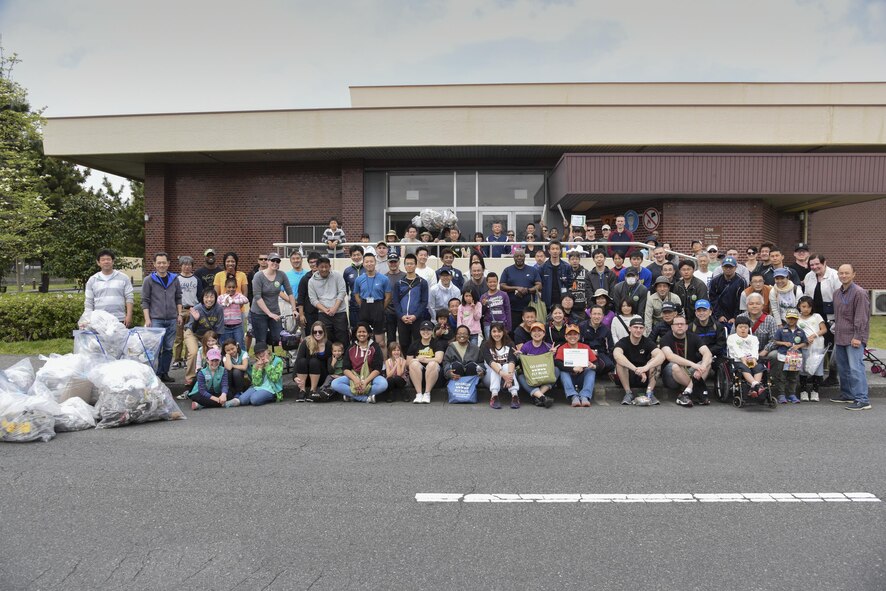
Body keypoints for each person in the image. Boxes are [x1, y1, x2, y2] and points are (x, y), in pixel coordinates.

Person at [830, 264, 871, 410]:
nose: (843, 276)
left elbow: (861, 317)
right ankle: (847, 394)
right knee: (843, 368)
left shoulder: (859, 293)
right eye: (841, 273)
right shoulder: (837, 293)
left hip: (854, 337)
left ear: (854, 274)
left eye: (847, 273)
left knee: (856, 368)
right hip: (840, 336)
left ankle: (862, 399)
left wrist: (858, 337)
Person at [141, 252, 181, 383]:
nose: (162, 265)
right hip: (156, 319)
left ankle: (165, 372)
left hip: (171, 319)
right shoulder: (149, 280)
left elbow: (178, 298)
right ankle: (156, 374)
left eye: (164, 262)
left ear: (168, 263)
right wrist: (147, 319)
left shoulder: (174, 279)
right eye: (159, 262)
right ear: (154, 264)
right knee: (156, 348)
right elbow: (145, 301)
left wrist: (179, 314)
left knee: (168, 348)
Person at [803, 253, 841, 386]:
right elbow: (807, 296)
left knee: (831, 345)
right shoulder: (809, 276)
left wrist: (838, 320)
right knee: (815, 345)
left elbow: (839, 299)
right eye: (811, 265)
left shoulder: (834, 276)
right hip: (814, 317)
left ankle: (832, 376)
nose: (814, 267)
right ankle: (814, 374)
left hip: (831, 317)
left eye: (817, 264)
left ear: (824, 263)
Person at [660, 314, 713, 407]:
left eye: (682, 324)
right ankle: (697, 390)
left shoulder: (694, 337)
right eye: (677, 324)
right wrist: (693, 365)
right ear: (672, 327)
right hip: (671, 377)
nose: (679, 326)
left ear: (686, 326)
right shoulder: (665, 338)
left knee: (708, 362)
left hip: (690, 372)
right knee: (674, 365)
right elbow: (670, 356)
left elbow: (707, 353)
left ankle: (686, 393)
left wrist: (703, 365)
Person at [613, 317, 665, 405]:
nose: (638, 330)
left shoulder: (647, 342)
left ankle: (649, 392)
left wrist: (645, 368)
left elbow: (661, 356)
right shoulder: (623, 342)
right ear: (629, 328)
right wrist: (636, 369)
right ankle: (628, 393)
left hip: (645, 377)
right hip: (628, 376)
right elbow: (617, 355)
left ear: (644, 329)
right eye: (635, 327)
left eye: (641, 328)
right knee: (620, 363)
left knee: (656, 362)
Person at [331, 323, 388, 403]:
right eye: (359, 332)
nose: (361, 334)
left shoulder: (375, 347)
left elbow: (377, 368)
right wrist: (356, 380)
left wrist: (365, 382)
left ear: (368, 334)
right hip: (354, 377)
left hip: (370, 377)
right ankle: (365, 398)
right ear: (356, 334)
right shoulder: (351, 347)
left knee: (383, 384)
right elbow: (345, 368)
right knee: (335, 383)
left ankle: (352, 395)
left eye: (364, 332)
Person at [183, 287, 224, 388]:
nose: (209, 299)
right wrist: (196, 320)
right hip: (193, 333)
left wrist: (214, 343)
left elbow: (218, 329)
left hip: (208, 335)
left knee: (214, 351)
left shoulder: (219, 309)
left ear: (215, 298)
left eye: (212, 297)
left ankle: (211, 374)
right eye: (206, 297)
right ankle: (190, 377)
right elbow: (193, 328)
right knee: (194, 352)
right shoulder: (197, 308)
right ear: (202, 298)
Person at [252, 253, 295, 349]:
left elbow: (290, 293)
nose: (275, 263)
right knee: (261, 341)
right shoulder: (258, 276)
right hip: (259, 313)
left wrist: (294, 309)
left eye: (277, 261)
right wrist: (269, 314)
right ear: (268, 261)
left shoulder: (281, 275)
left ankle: (274, 358)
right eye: (273, 260)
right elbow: (257, 297)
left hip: (275, 311)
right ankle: (261, 359)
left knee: (278, 338)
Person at [83, 248, 134, 327]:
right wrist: (87, 319)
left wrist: (129, 316)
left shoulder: (123, 278)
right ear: (98, 262)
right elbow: (89, 302)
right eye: (103, 260)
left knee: (119, 339)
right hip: (99, 320)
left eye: (108, 259)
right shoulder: (92, 280)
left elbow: (129, 297)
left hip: (120, 319)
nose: (106, 262)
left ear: (113, 261)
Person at [224, 342, 284, 407]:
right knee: (242, 399)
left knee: (254, 399)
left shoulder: (278, 361)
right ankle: (234, 402)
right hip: (258, 387)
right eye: (258, 353)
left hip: (272, 389)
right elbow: (256, 383)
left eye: (262, 352)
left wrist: (267, 366)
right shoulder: (256, 364)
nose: (261, 355)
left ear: (268, 351)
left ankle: (270, 397)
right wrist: (259, 369)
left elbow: (275, 379)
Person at [352, 252, 391, 349]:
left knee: (380, 342)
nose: (369, 264)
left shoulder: (384, 279)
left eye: (371, 261)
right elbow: (356, 295)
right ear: (363, 264)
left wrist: (381, 308)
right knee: (364, 339)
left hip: (378, 306)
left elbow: (388, 297)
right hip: (364, 307)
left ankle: (383, 364)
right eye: (367, 262)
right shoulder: (359, 279)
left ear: (375, 262)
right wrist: (362, 305)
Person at [308, 256, 349, 346]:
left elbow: (342, 292)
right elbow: (313, 299)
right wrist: (324, 309)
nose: (324, 269)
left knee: (343, 337)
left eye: (326, 266)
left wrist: (334, 308)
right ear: (317, 267)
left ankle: (344, 359)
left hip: (339, 312)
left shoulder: (337, 275)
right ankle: (330, 359)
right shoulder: (311, 281)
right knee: (326, 339)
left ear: (330, 266)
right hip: (323, 314)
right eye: (321, 267)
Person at [515, 322, 557, 408]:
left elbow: (551, 365)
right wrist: (518, 356)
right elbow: (522, 364)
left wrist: (553, 355)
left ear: (544, 333)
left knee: (556, 370)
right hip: (531, 376)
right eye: (534, 331)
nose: (537, 333)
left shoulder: (548, 347)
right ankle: (542, 397)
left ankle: (537, 396)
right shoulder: (526, 346)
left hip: (544, 375)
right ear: (530, 334)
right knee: (520, 376)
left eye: (539, 331)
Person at [555, 324, 598, 407]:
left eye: (575, 334)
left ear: (579, 336)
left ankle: (585, 396)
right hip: (569, 376)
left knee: (591, 371)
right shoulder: (562, 348)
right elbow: (557, 362)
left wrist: (593, 365)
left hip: (582, 375)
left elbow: (596, 363)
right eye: (569, 335)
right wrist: (572, 369)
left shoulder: (585, 347)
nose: (572, 337)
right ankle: (573, 396)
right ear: (566, 337)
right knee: (563, 372)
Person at [394, 254, 430, 352]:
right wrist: (401, 316)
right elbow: (396, 302)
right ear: (404, 265)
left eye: (412, 264)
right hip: (402, 319)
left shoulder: (422, 282)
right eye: (407, 264)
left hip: (417, 318)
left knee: (418, 342)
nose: (409, 266)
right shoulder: (399, 283)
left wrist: (415, 316)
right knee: (404, 343)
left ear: (415, 265)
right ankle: (406, 364)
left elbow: (424, 301)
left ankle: (417, 364)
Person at [770, 308, 806, 404]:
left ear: (797, 319)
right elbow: (775, 341)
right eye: (789, 318)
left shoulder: (800, 331)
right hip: (783, 356)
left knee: (793, 377)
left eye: (793, 318)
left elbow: (805, 342)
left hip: (795, 357)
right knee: (781, 376)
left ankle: (792, 394)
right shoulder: (781, 330)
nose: (791, 320)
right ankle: (781, 394)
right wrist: (784, 343)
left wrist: (798, 345)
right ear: (786, 318)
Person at [480, 322, 520, 409]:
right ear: (490, 332)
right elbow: (491, 362)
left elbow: (512, 361)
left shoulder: (510, 344)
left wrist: (508, 376)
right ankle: (494, 396)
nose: (496, 334)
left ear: (503, 332)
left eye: (499, 331)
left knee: (506, 366)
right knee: (496, 366)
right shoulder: (485, 345)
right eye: (494, 331)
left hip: (508, 377)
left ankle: (515, 396)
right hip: (490, 378)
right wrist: (504, 375)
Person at [500, 249, 543, 330]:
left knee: (531, 331)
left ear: (524, 257)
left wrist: (527, 290)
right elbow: (502, 286)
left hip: (530, 309)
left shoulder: (532, 270)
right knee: (513, 332)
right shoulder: (507, 270)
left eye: (521, 256)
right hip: (512, 309)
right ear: (513, 257)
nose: (519, 258)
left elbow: (539, 285)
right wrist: (516, 288)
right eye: (517, 256)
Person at [406, 320, 446, 404]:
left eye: (428, 329)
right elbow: (408, 363)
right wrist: (417, 359)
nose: (426, 332)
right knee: (413, 364)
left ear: (432, 331)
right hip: (418, 377)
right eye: (423, 330)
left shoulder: (437, 343)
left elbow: (439, 359)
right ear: (420, 331)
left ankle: (427, 393)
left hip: (435, 377)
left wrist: (425, 360)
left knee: (432, 364)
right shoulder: (414, 344)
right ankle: (419, 394)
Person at [796, 296, 827, 402]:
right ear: (799, 306)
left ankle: (815, 391)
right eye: (803, 306)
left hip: (817, 346)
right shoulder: (797, 318)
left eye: (809, 307)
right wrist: (803, 341)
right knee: (803, 369)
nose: (806, 309)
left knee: (817, 368)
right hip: (804, 347)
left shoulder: (817, 316)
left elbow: (823, 329)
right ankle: (803, 391)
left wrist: (813, 336)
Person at [726, 316, 765, 398]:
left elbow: (755, 349)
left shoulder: (753, 338)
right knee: (743, 367)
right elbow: (735, 349)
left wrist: (754, 358)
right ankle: (756, 385)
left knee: (759, 367)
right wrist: (743, 358)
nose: (743, 329)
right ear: (736, 328)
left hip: (751, 359)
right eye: (740, 327)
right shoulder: (731, 338)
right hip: (737, 360)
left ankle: (754, 389)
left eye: (745, 327)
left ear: (749, 328)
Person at [293, 321, 333, 401]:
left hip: (321, 377)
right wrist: (294, 377)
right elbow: (298, 361)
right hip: (305, 377)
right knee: (302, 361)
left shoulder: (328, 344)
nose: (317, 334)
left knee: (314, 361)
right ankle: (302, 391)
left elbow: (329, 365)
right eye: (315, 332)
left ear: (324, 332)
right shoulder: (306, 342)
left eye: (320, 332)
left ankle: (313, 390)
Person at [173, 255, 199, 369]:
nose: (187, 267)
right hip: (179, 309)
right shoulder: (176, 279)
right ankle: (177, 359)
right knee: (178, 337)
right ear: (180, 266)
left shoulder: (196, 279)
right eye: (184, 264)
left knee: (189, 335)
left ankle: (187, 358)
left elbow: (200, 294)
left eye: (189, 265)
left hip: (192, 309)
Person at [708, 256, 746, 330]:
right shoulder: (715, 281)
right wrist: (719, 315)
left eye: (731, 267)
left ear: (735, 267)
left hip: (734, 315)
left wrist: (735, 317)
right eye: (726, 267)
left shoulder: (741, 281)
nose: (728, 269)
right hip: (719, 315)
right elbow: (712, 299)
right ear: (722, 267)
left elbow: (741, 302)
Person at [580, 304, 615, 376]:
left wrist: (597, 352)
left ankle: (598, 373)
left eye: (599, 314)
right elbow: (577, 343)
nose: (596, 316)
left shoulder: (606, 330)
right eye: (594, 314)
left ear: (603, 316)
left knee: (609, 365)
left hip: (600, 353)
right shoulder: (581, 326)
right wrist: (589, 351)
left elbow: (610, 348)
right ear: (590, 315)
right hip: (584, 353)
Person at [218, 277, 249, 350]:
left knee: (240, 344)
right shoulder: (221, 297)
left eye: (233, 287)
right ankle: (226, 360)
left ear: (236, 287)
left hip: (237, 326)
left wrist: (233, 301)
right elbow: (217, 305)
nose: (231, 289)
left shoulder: (239, 296)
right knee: (226, 345)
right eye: (229, 287)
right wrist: (224, 303)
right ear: (225, 287)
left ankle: (243, 359)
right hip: (225, 326)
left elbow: (246, 300)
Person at [673, 260, 708, 324]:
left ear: (693, 270)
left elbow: (703, 303)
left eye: (688, 269)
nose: (686, 272)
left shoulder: (700, 285)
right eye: (683, 270)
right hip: (681, 320)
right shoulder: (677, 285)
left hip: (697, 319)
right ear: (680, 271)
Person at [539, 240, 569, 309]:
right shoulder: (543, 268)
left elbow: (569, 284)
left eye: (557, 249)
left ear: (560, 251)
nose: (555, 251)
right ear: (549, 251)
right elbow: (540, 285)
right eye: (553, 249)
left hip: (563, 301)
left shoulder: (566, 267)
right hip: (547, 302)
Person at [342, 245, 366, 330]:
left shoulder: (367, 268)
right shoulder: (347, 271)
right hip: (353, 306)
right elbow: (345, 288)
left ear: (362, 255)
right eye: (354, 255)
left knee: (367, 329)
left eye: (358, 254)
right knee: (354, 328)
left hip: (367, 305)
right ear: (350, 256)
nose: (356, 257)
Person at [480, 272, 511, 337]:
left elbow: (507, 311)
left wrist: (508, 327)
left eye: (494, 282)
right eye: (490, 282)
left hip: (502, 323)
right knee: (489, 344)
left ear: (497, 282)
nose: (492, 284)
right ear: (487, 283)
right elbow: (481, 313)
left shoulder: (504, 294)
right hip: (488, 324)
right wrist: (484, 305)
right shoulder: (483, 296)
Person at [384, 253, 405, 344]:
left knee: (404, 338)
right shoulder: (383, 277)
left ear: (399, 262)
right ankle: (391, 357)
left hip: (402, 312)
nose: (393, 264)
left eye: (395, 262)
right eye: (391, 262)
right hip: (389, 312)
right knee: (390, 338)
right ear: (388, 263)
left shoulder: (405, 276)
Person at [563, 248, 592, 314]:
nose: (574, 261)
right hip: (569, 304)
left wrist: (588, 303)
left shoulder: (586, 272)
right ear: (569, 260)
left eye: (576, 259)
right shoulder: (565, 272)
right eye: (572, 259)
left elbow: (588, 289)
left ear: (579, 260)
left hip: (582, 304)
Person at [297, 252, 321, 330]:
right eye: (311, 262)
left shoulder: (327, 276)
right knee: (310, 336)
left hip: (324, 312)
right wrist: (301, 315)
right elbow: (300, 298)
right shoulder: (305, 279)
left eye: (315, 262)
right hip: (310, 313)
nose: (313, 264)